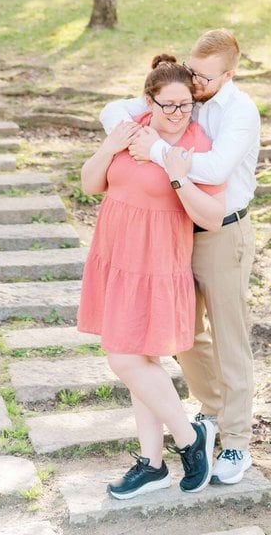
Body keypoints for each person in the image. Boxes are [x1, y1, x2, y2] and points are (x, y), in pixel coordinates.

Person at [100, 28, 260, 485]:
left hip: (222, 231)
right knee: (185, 336)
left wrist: (155, 149)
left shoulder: (240, 111)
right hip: (175, 231)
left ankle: (235, 443)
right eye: (192, 71)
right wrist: (133, 132)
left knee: (230, 337)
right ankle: (209, 414)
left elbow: (212, 169)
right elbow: (112, 111)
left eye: (205, 78)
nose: (195, 84)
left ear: (228, 74)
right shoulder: (183, 93)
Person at [78, 54, 224, 499]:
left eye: (186, 106)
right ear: (150, 101)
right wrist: (108, 147)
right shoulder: (130, 128)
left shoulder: (196, 147)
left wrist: (180, 179)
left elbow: (213, 217)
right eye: (169, 106)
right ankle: (153, 463)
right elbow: (90, 184)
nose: (178, 115)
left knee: (124, 359)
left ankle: (188, 438)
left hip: (156, 263)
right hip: (116, 256)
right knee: (140, 363)